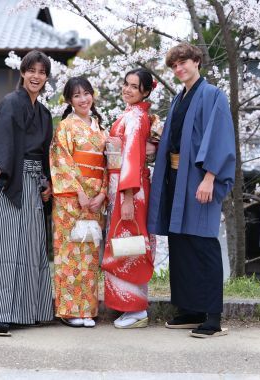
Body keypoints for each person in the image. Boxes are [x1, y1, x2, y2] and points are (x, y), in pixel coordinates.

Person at [147, 42, 236, 338]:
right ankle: (191, 309)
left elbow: (221, 137)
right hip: (177, 178)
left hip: (199, 179)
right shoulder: (178, 99)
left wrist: (210, 177)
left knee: (203, 242)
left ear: (196, 61)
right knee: (182, 242)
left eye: (183, 62)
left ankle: (213, 316)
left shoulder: (213, 96)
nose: (179, 69)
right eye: (174, 66)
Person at [0, 50, 54, 337]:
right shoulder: (11, 103)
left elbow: (44, 156)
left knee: (30, 247)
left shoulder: (43, 113)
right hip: (10, 181)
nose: (36, 76)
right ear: (22, 72)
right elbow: (2, 142)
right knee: (3, 248)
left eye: (42, 72)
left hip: (33, 184)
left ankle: (29, 311)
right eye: (32, 70)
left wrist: (46, 184)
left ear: (46, 77)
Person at [50, 76, 107, 328]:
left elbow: (108, 164)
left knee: (90, 252)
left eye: (86, 94)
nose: (83, 99)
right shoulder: (65, 127)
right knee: (70, 251)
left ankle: (88, 310)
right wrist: (79, 193)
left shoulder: (100, 128)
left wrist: (102, 194)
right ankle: (70, 310)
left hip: (95, 200)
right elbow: (61, 160)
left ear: (92, 95)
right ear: (69, 100)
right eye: (76, 96)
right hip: (71, 200)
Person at [101, 68, 155, 329]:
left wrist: (127, 197)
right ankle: (127, 306)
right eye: (126, 84)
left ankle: (136, 309)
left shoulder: (135, 117)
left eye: (135, 86)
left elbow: (132, 157)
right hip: (122, 186)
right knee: (125, 244)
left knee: (129, 244)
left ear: (145, 91)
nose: (128, 89)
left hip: (129, 188)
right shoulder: (131, 114)